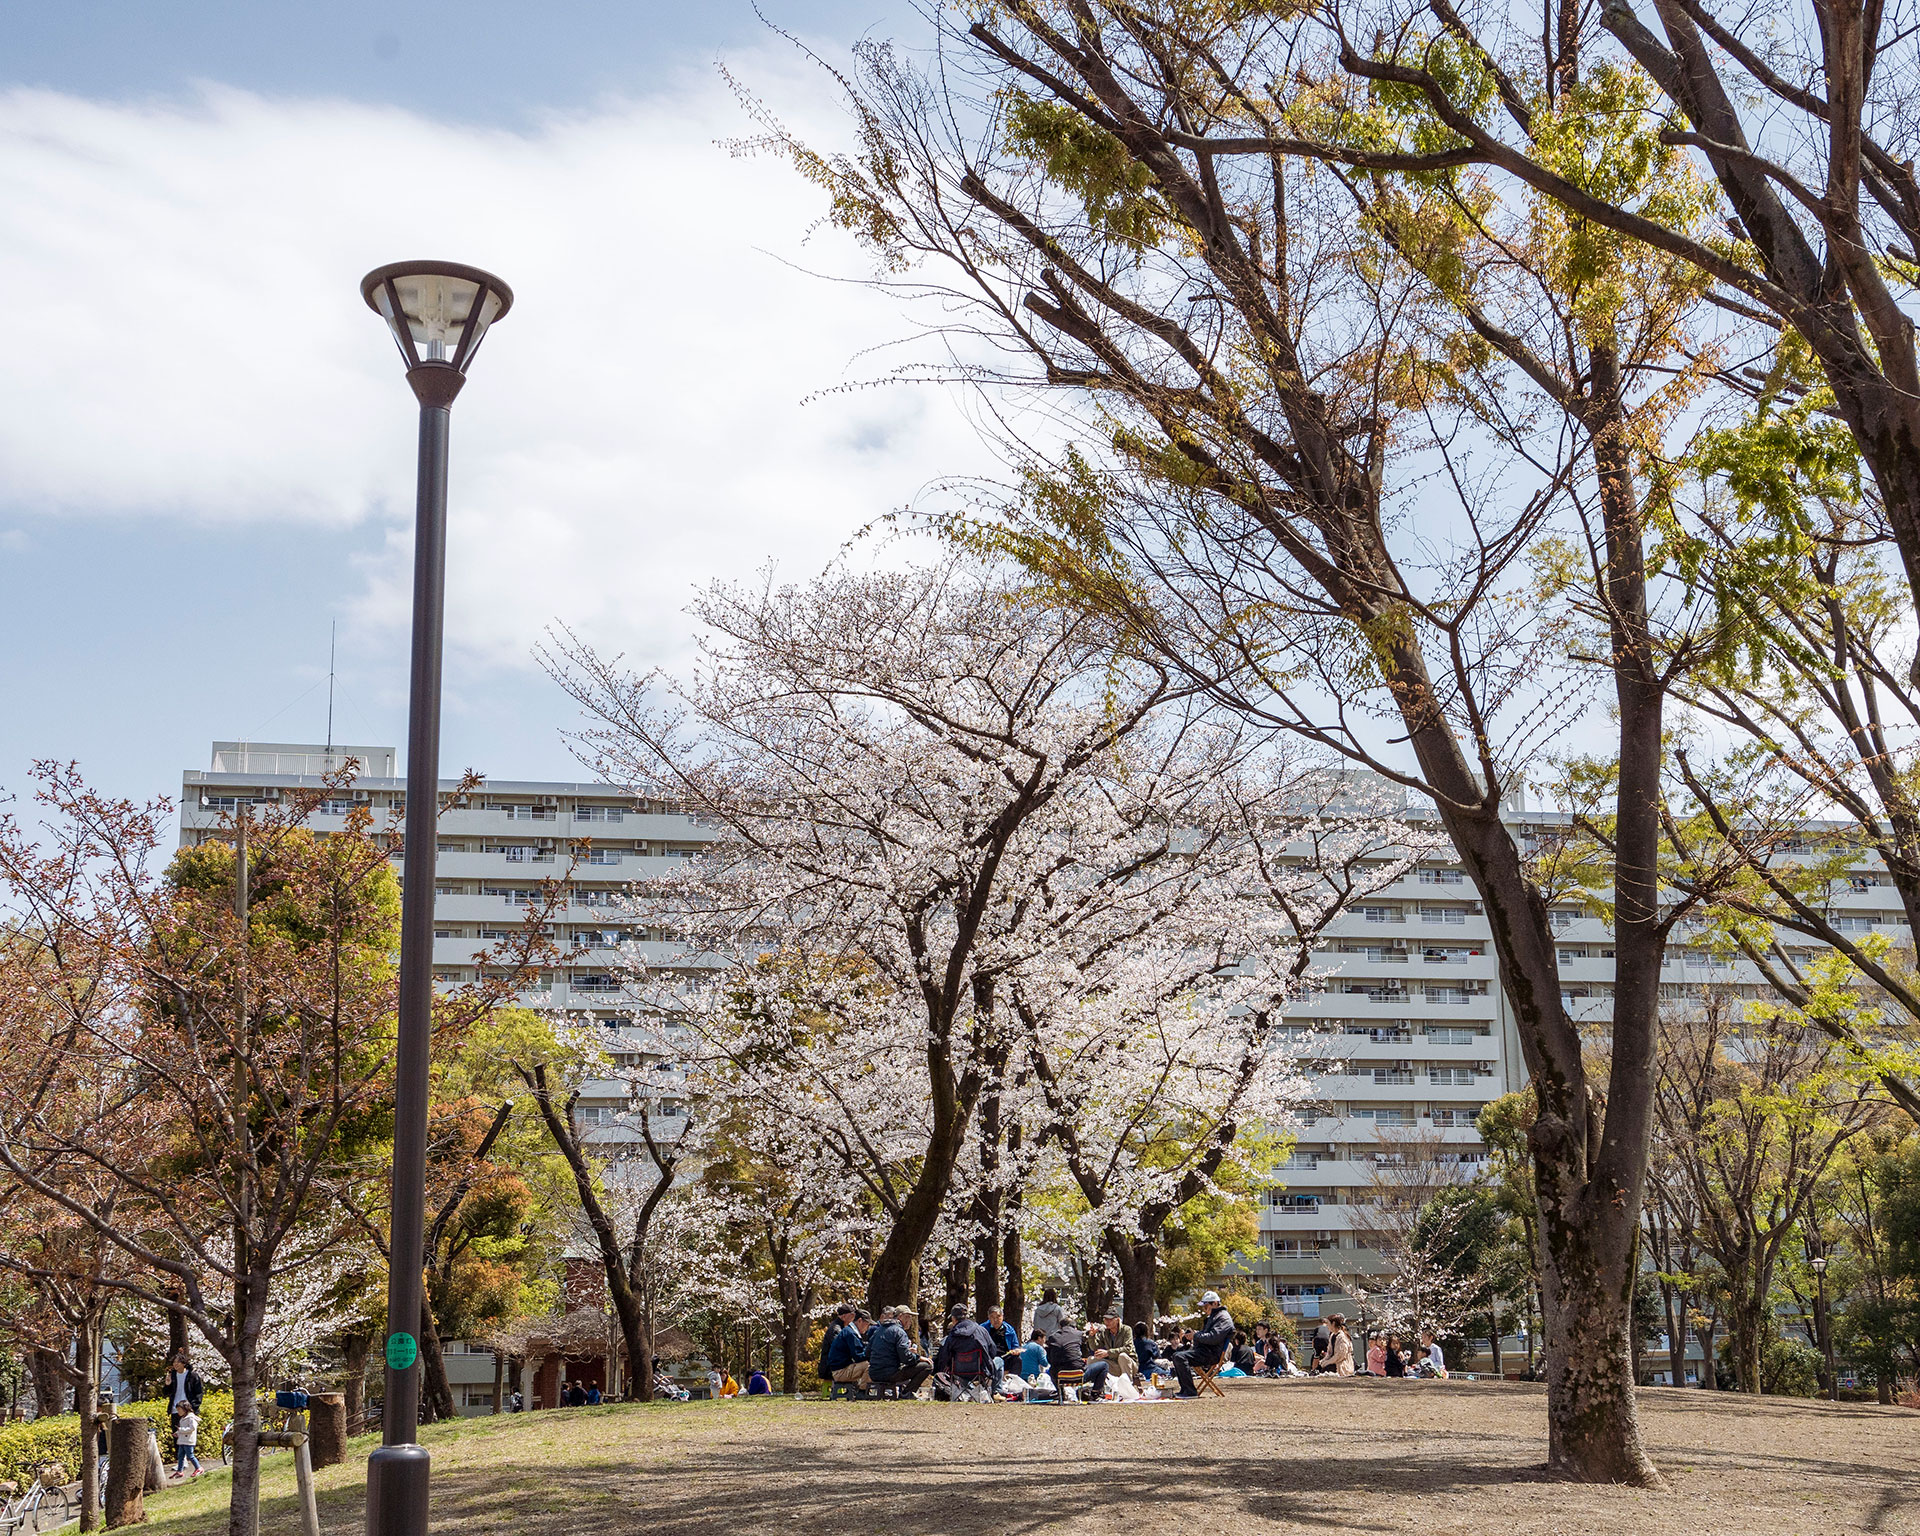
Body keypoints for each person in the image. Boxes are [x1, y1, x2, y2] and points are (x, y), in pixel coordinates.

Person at [1172, 1291, 1236, 1398]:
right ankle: (1185, 1390)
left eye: (1206, 1307)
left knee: (1179, 1357)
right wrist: (1195, 1334)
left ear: (1215, 1303)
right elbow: (1208, 1335)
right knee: (1177, 1356)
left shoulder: (1223, 1318)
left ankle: (1190, 1391)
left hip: (1212, 1354)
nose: (1205, 1310)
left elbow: (1213, 1338)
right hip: (1206, 1351)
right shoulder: (1216, 1316)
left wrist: (1196, 1336)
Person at [865, 1306, 932, 1397]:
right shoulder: (899, 1332)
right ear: (900, 1317)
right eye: (908, 1317)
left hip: (874, 1373)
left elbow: (867, 1352)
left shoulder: (878, 1330)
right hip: (890, 1373)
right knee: (927, 1366)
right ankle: (907, 1393)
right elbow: (906, 1358)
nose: (910, 1320)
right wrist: (918, 1357)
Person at [933, 1305, 998, 1398]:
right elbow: (993, 1351)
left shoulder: (952, 1335)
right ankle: (996, 1392)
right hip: (980, 1370)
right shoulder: (981, 1330)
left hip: (957, 1371)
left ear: (953, 1318)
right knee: (999, 1361)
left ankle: (965, 1393)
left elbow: (944, 1356)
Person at [1084, 1313, 1137, 1397]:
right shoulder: (1104, 1332)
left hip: (1129, 1364)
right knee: (1092, 1359)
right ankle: (1096, 1388)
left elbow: (1128, 1348)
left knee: (1122, 1356)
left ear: (1117, 1319)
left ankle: (1127, 1387)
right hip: (1113, 1364)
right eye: (1105, 1319)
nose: (1107, 1322)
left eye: (1110, 1320)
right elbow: (1095, 1348)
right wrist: (1092, 1336)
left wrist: (1108, 1353)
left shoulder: (1126, 1329)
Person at [827, 1307, 872, 1389]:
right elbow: (858, 1356)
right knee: (870, 1366)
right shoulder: (851, 1334)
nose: (868, 1327)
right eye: (867, 1324)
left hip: (839, 1369)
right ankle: (863, 1391)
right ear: (860, 1321)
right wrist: (871, 1353)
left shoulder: (849, 1331)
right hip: (840, 1372)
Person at [819, 1303, 856, 1380]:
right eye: (851, 1316)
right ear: (844, 1316)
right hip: (830, 1368)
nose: (853, 1318)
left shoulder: (840, 1327)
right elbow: (842, 1348)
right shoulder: (836, 1329)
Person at [173, 1405, 202, 1480]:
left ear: (185, 1409)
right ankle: (179, 1471)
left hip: (189, 1441)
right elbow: (181, 1429)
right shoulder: (182, 1418)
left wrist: (181, 1430)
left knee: (190, 1455)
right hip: (182, 1440)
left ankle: (198, 1468)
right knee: (180, 1456)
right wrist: (177, 1433)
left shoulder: (191, 1418)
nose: (178, 1411)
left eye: (179, 1409)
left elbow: (192, 1428)